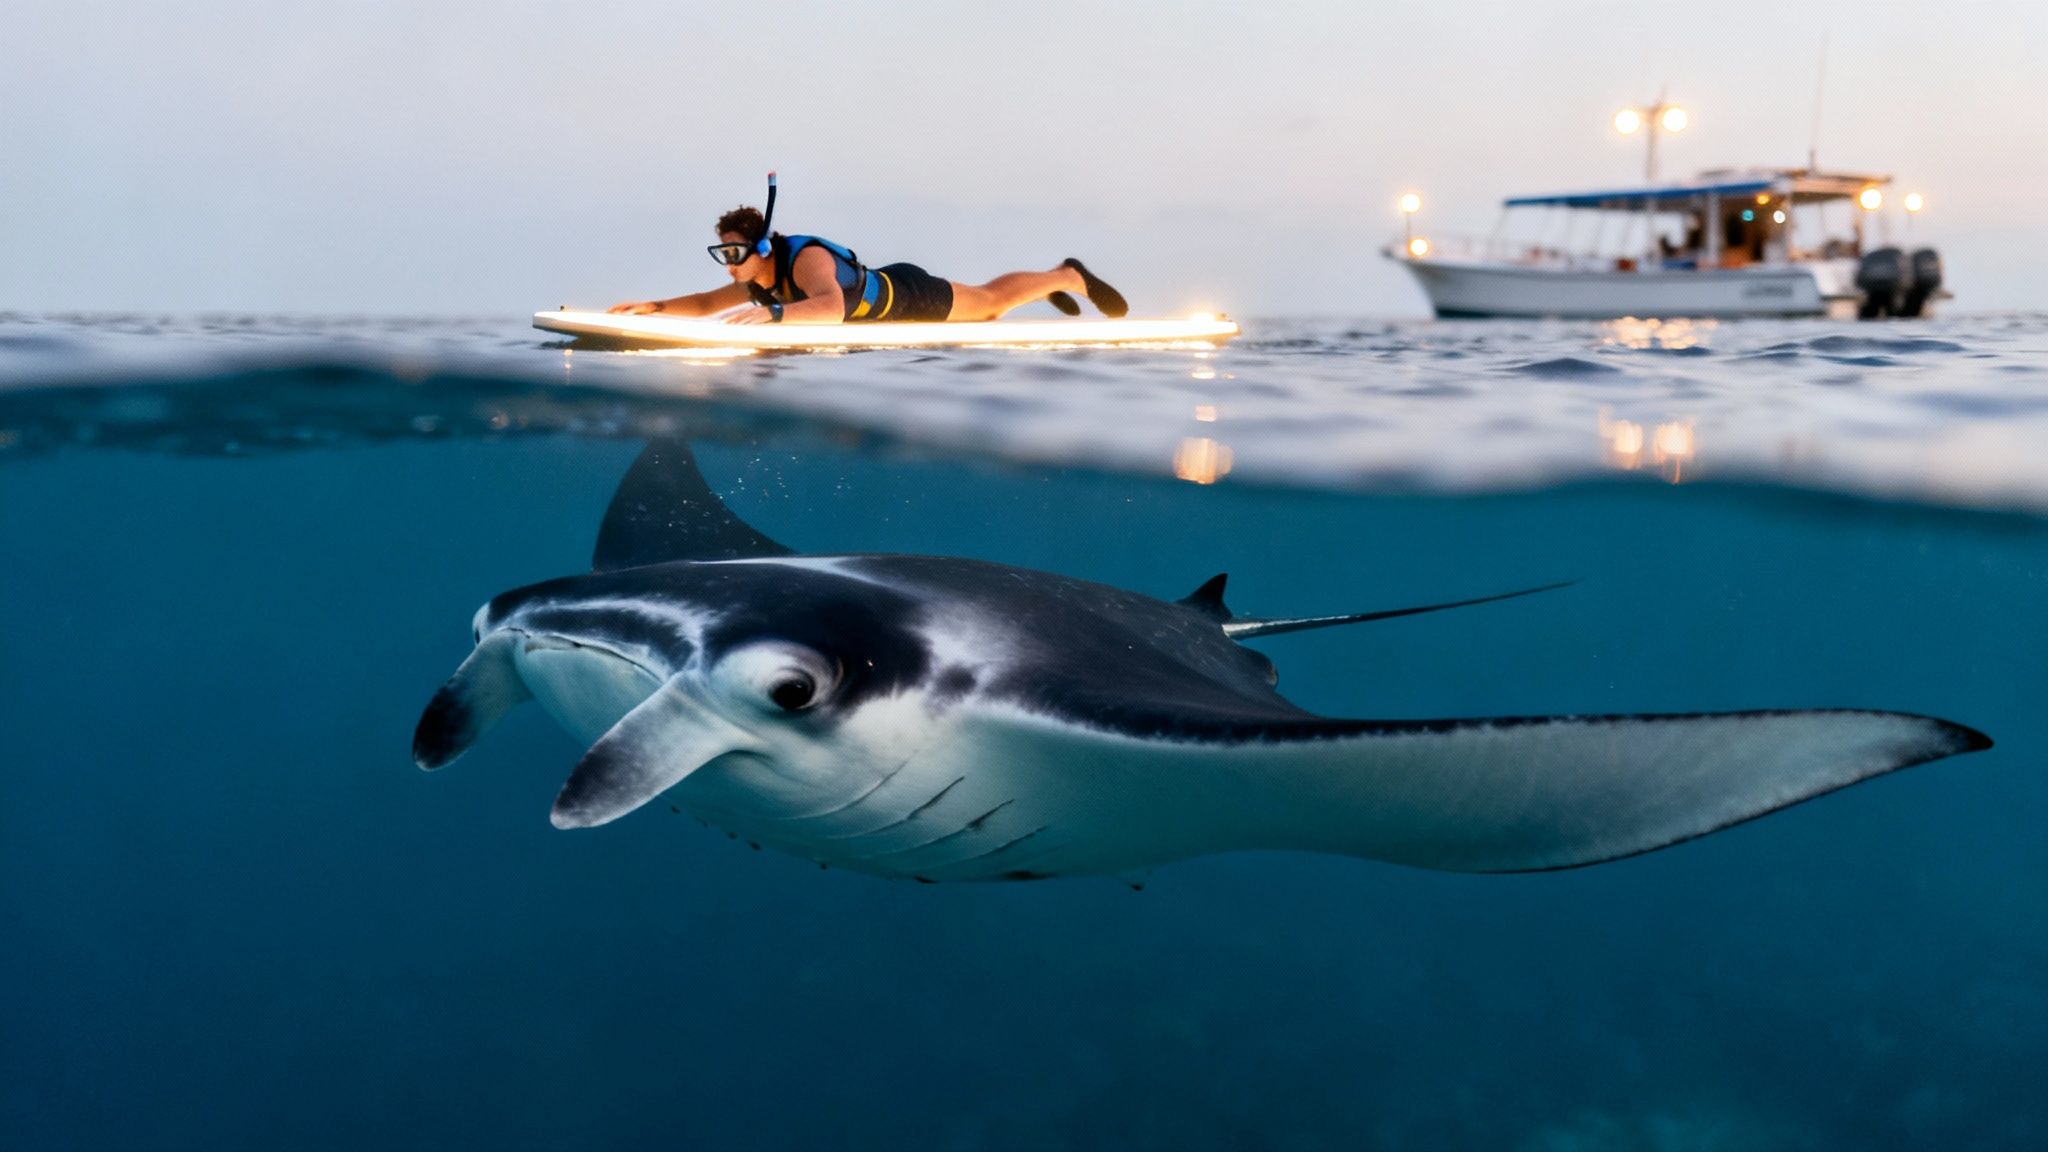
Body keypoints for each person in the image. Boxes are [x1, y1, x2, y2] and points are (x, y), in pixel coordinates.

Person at [607, 182, 1127, 325]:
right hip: (886, 300)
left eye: (735, 252)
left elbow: (830, 309)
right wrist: (650, 307)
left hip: (909, 296)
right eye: (722, 253)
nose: (730, 263)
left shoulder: (804, 259)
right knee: (988, 300)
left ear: (762, 246)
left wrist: (775, 315)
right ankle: (1053, 282)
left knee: (990, 303)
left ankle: (1066, 275)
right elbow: (702, 305)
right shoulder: (755, 278)